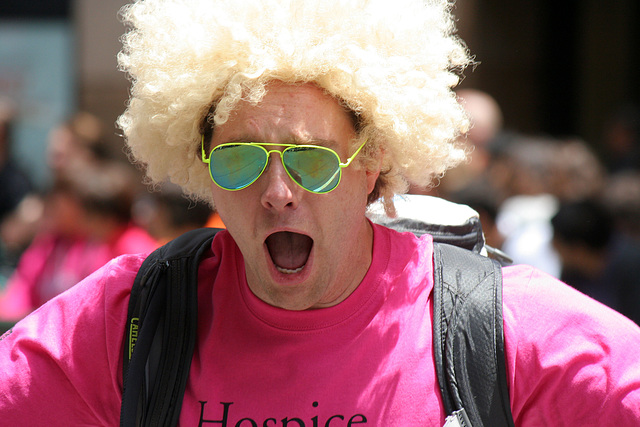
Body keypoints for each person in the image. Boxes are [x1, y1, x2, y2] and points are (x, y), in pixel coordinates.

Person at [1, 0, 639, 425]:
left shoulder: (494, 325)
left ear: (373, 161)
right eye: (240, 159)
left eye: (310, 158)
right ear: (201, 166)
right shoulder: (134, 318)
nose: (277, 190)